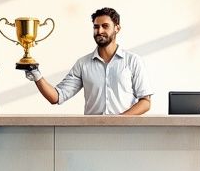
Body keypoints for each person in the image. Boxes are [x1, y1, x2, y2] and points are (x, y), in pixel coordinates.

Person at [24, 7, 153, 115]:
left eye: (105, 26)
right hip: (92, 132)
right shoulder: (83, 64)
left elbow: (145, 102)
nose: (99, 31)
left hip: (125, 133)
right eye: (96, 27)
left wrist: (119, 122)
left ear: (117, 28)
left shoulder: (133, 61)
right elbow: (57, 97)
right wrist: (36, 75)